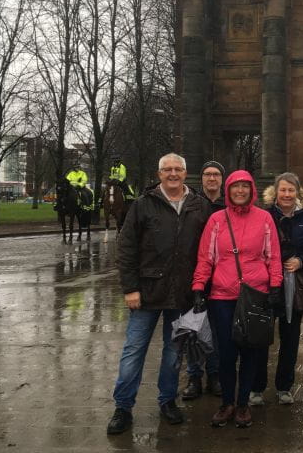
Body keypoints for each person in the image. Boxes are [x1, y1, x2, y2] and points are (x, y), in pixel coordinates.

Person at [107, 153, 210, 435]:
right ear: (159, 174)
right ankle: (123, 407)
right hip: (147, 292)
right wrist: (130, 288)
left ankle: (167, 401)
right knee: (133, 351)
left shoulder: (200, 206)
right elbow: (126, 248)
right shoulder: (143, 205)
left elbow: (210, 250)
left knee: (174, 352)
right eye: (168, 170)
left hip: (184, 294)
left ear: (185, 172)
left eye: (178, 169)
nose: (173, 174)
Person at [192, 170, 283, 429]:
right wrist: (199, 286)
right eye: (235, 187)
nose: (240, 191)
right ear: (228, 190)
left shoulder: (264, 218)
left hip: (255, 294)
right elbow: (206, 257)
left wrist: (275, 286)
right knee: (226, 353)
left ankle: (242, 403)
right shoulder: (217, 219)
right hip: (222, 296)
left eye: (245, 186)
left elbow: (273, 255)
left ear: (251, 190)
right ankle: (226, 404)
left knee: (251, 351)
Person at [249, 172, 303, 406]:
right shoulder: (263, 215)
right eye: (283, 190)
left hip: (294, 286)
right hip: (266, 284)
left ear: (298, 193)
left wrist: (301, 260)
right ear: (275, 192)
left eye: (291, 190)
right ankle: (256, 388)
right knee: (261, 337)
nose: (287, 194)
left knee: (290, 339)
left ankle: (284, 387)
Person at [181, 160, 227, 401]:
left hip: (221, 276)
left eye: (216, 175)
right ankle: (194, 377)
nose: (211, 179)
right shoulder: (191, 204)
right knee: (193, 329)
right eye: (207, 174)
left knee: (217, 331)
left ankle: (215, 375)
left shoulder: (228, 205)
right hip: (195, 274)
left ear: (222, 179)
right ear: (202, 178)